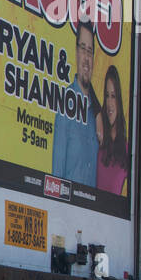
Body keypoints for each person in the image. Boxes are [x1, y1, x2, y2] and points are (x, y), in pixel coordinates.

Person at [51, 20, 99, 187]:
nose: (86, 58)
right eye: (82, 49)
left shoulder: (98, 115)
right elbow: (56, 175)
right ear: (76, 52)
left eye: (90, 51)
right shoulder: (65, 103)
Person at [96, 65, 129, 195]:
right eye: (107, 95)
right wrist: (98, 116)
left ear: (119, 100)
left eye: (113, 96)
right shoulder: (98, 140)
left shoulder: (127, 150)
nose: (109, 103)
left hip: (113, 214)